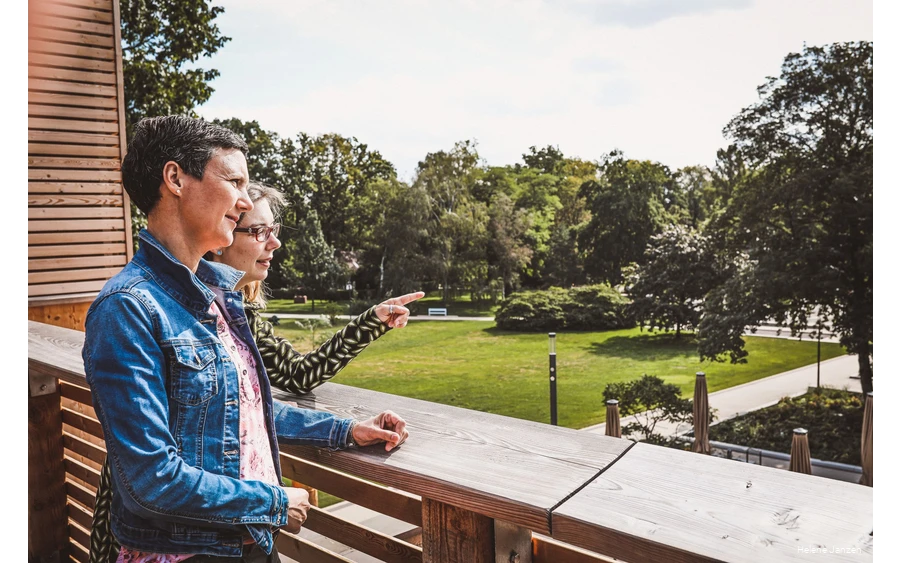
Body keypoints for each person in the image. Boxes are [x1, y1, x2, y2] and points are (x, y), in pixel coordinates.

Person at [82, 115, 409, 563]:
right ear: (175, 178)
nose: (242, 201)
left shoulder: (215, 294)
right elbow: (151, 480)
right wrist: (273, 503)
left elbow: (245, 406)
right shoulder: (127, 308)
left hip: (246, 543)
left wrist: (346, 430)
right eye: (234, 181)